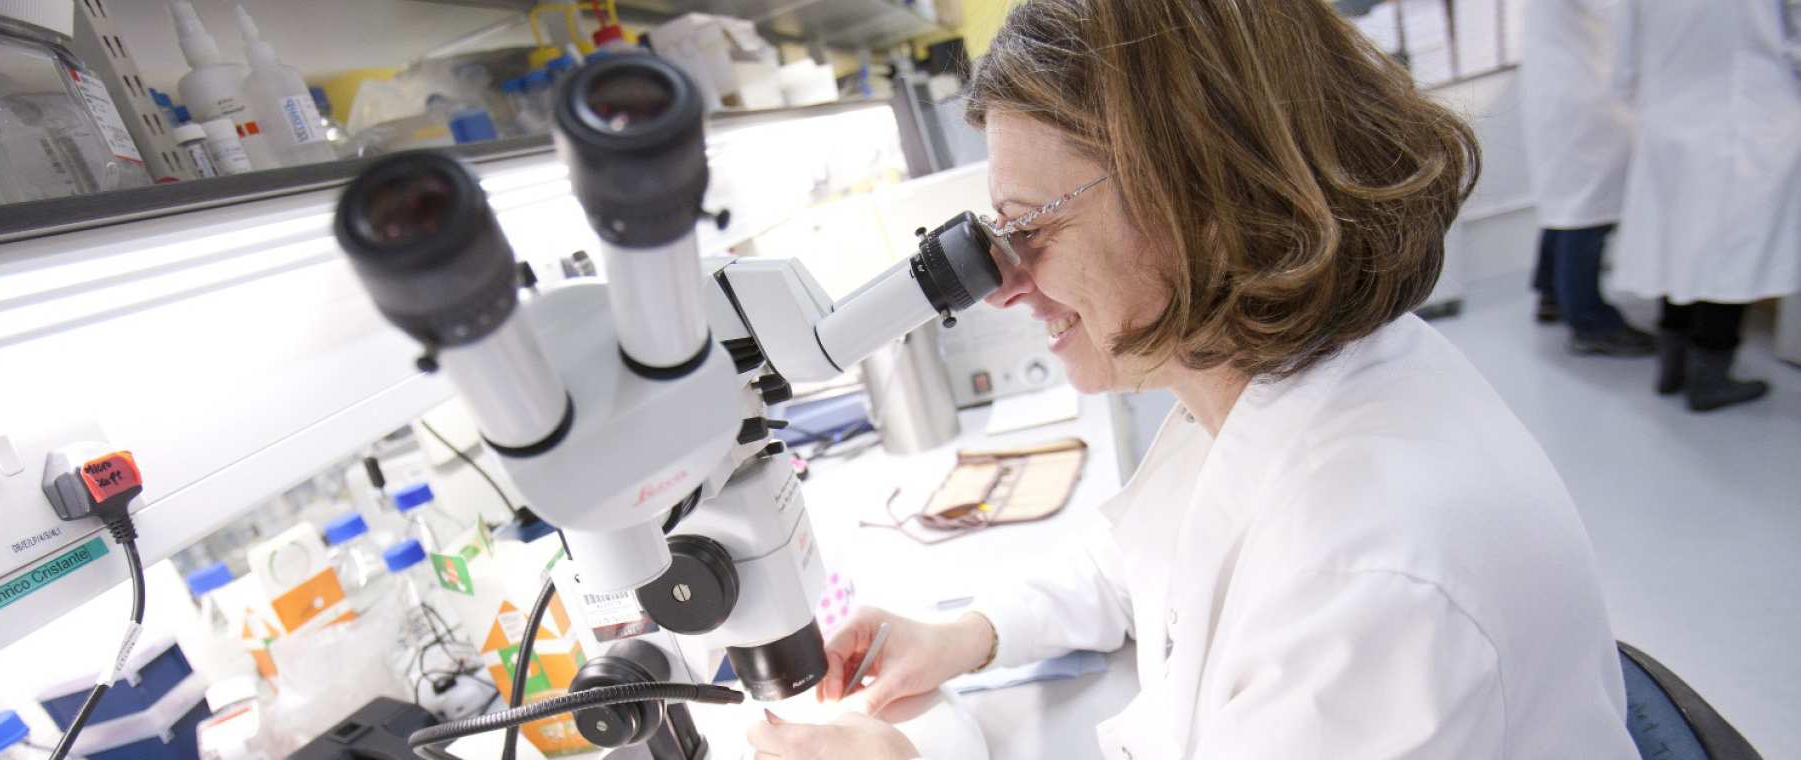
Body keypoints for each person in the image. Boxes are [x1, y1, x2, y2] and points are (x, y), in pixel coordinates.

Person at [747, 1, 1635, 758]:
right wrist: (965, 636)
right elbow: (1154, 563)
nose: (1006, 285)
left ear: (1202, 203)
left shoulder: (1367, 574)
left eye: (1029, 229)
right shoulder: (1260, 378)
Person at [1606, 0, 1799, 412]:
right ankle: (1711, 378)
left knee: (1677, 246)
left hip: (1668, 120)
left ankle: (1672, 368)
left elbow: (1622, 66)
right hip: (1748, 116)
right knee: (1731, 255)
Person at [1521, 0, 1655, 356]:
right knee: (1587, 212)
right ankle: (1589, 322)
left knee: (1565, 201)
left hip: (1557, 85)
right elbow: (1624, 18)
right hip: (1585, 91)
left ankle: (1551, 292)